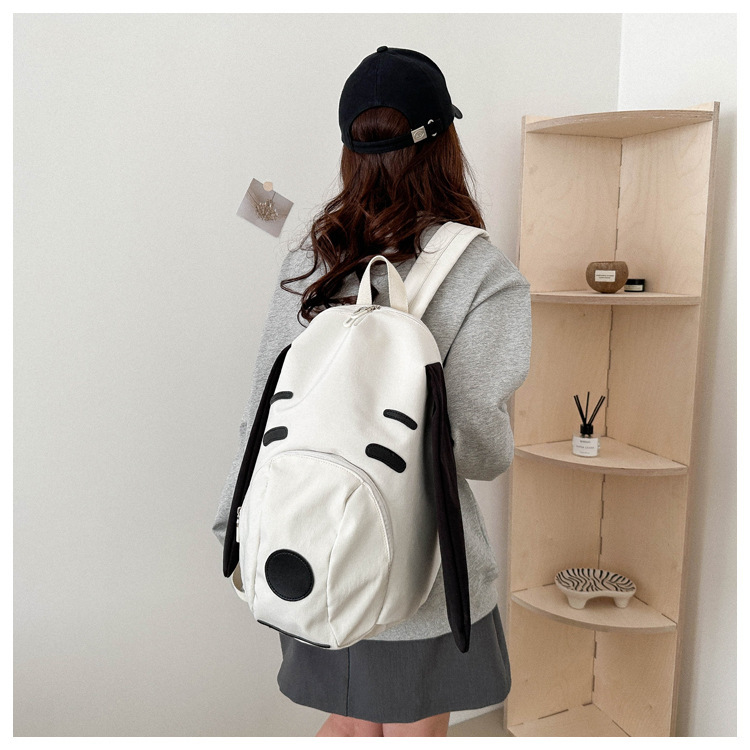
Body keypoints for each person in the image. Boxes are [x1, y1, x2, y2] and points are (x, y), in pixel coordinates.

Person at [212, 45, 532, 738]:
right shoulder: (480, 272)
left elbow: (263, 414)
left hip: (313, 546)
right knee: (413, 733)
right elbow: (478, 453)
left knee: (347, 725)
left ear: (349, 151)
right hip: (421, 571)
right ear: (445, 145)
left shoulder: (312, 258)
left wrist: (234, 525)